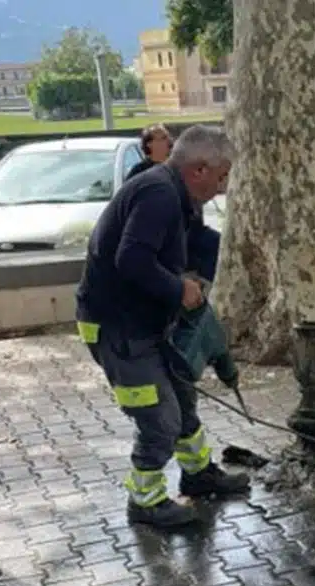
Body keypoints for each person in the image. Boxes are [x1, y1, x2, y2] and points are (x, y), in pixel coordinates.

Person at [74, 125, 249, 528]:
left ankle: (199, 474)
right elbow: (131, 259)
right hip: (117, 326)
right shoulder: (157, 194)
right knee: (160, 418)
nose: (224, 186)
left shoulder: (179, 196)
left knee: (183, 397)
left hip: (148, 321)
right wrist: (179, 289)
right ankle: (146, 500)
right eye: (222, 175)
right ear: (200, 169)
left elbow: (195, 241)